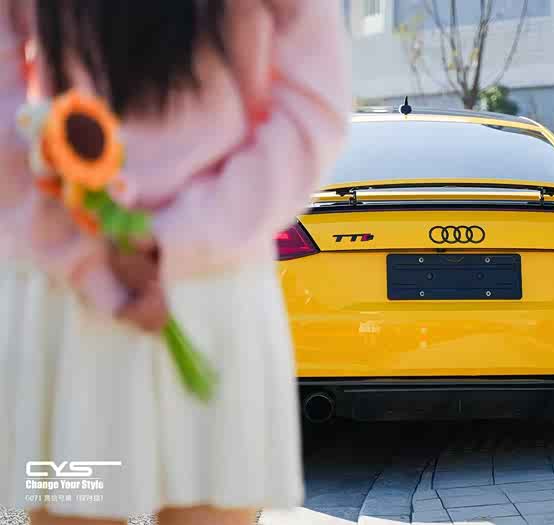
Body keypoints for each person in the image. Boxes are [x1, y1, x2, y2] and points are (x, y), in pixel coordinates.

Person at [0, 1, 350, 524]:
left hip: (73, 294)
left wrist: (92, 258)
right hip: (217, 288)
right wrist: (176, 241)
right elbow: (314, 112)